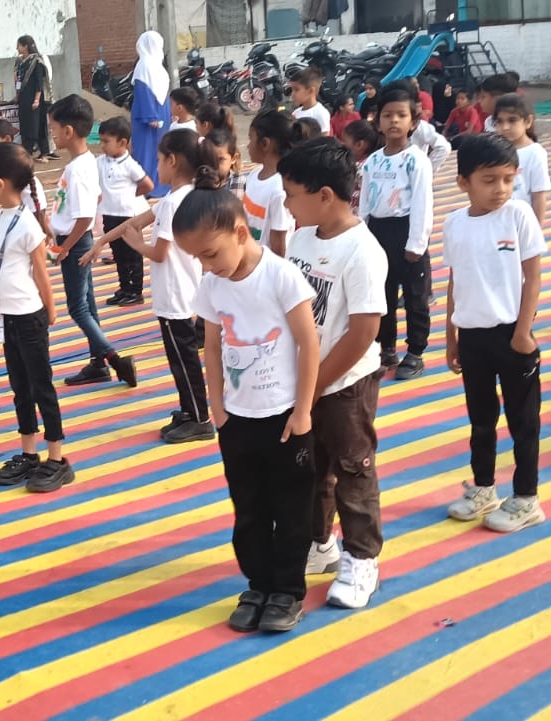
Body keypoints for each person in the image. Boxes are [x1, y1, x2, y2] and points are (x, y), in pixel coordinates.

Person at [173, 165, 321, 634]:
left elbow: (309, 343)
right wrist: (217, 407)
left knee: (292, 508)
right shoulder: (213, 285)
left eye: (210, 253)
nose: (206, 265)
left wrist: (303, 410)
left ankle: (287, 590)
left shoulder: (281, 276)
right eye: (196, 258)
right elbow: (212, 346)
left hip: (284, 418)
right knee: (249, 508)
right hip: (237, 420)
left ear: (241, 232)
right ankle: (257, 584)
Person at [278, 136, 388, 603]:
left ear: (324, 195)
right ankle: (320, 544)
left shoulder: (362, 251)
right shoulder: (302, 237)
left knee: (351, 468)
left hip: (345, 383)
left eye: (291, 194)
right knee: (311, 468)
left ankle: (362, 559)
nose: (286, 205)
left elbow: (362, 332)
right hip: (307, 380)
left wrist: (315, 384)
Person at [440, 133, 548, 533]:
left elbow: (533, 277)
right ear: (463, 182)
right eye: (489, 180)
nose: (500, 189)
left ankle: (526, 498)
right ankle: (484, 487)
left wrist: (524, 331)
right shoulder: (454, 223)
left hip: (513, 336)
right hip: (472, 337)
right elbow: (455, 281)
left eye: (508, 179)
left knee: (523, 421)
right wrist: (451, 335)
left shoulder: (518, 215)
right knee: (481, 420)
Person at [0, 142, 75, 492]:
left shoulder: (28, 225)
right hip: (8, 317)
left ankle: (57, 458)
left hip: (29, 316)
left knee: (41, 386)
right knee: (20, 387)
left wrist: (51, 310)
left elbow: (41, 274)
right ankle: (29, 453)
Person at [116, 130, 213, 444]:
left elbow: (160, 253)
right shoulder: (185, 196)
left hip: (175, 294)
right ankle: (189, 410)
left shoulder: (172, 203)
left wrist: (135, 243)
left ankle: (199, 417)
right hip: (182, 291)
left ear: (172, 161)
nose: (156, 166)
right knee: (181, 359)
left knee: (184, 361)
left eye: (159, 160)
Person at [48, 95, 139, 388]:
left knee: (77, 307)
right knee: (87, 304)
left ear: (68, 131)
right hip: (76, 240)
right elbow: (92, 200)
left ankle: (115, 360)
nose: (51, 133)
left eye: (53, 128)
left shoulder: (79, 169)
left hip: (75, 243)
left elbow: (85, 216)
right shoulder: (83, 163)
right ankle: (98, 363)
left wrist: (64, 247)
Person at [359, 86, 434, 381]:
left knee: (415, 297)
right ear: (377, 121)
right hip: (378, 232)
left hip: (407, 230)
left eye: (401, 115)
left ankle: (415, 352)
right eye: (387, 115)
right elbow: (365, 201)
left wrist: (416, 243)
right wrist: (362, 235)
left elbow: (422, 203)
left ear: (413, 122)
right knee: (383, 295)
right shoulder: (373, 161)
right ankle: (386, 347)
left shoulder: (417, 160)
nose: (394, 121)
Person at [92, 117, 153, 307]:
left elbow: (148, 185)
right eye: (101, 141)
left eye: (106, 141)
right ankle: (124, 288)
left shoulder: (130, 165)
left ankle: (136, 291)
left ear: (122, 143)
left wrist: (129, 195)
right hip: (109, 214)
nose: (102, 145)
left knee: (132, 254)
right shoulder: (100, 161)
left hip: (128, 216)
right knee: (118, 254)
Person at [243, 110, 298, 257]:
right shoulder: (254, 174)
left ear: (265, 144)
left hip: (265, 264)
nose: (248, 146)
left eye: (250, 139)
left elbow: (279, 243)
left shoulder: (280, 189)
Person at [491, 94, 551, 220]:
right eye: (500, 121)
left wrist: (536, 228)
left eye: (512, 120)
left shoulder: (535, 153)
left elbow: (539, 195)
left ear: (528, 121)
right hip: (497, 218)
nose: (505, 127)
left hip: (523, 220)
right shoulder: (494, 150)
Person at [131, 31, 171, 198]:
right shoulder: (158, 66)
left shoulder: (143, 65)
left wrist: (150, 116)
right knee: (156, 150)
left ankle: (150, 187)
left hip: (147, 116)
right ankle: (157, 186)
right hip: (160, 113)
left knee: (147, 151)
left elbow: (142, 91)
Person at [15, 35, 54, 162]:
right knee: (26, 125)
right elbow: (19, 80)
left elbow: (39, 82)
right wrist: (18, 94)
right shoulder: (21, 62)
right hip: (24, 98)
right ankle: (27, 153)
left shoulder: (37, 62)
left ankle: (43, 153)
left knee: (37, 125)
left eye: (19, 45)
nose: (17, 48)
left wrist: (36, 99)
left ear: (25, 46)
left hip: (35, 99)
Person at [288, 68, 331, 134]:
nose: (292, 94)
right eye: (292, 89)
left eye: (296, 89)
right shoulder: (295, 113)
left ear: (311, 91)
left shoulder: (321, 113)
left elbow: (325, 137)